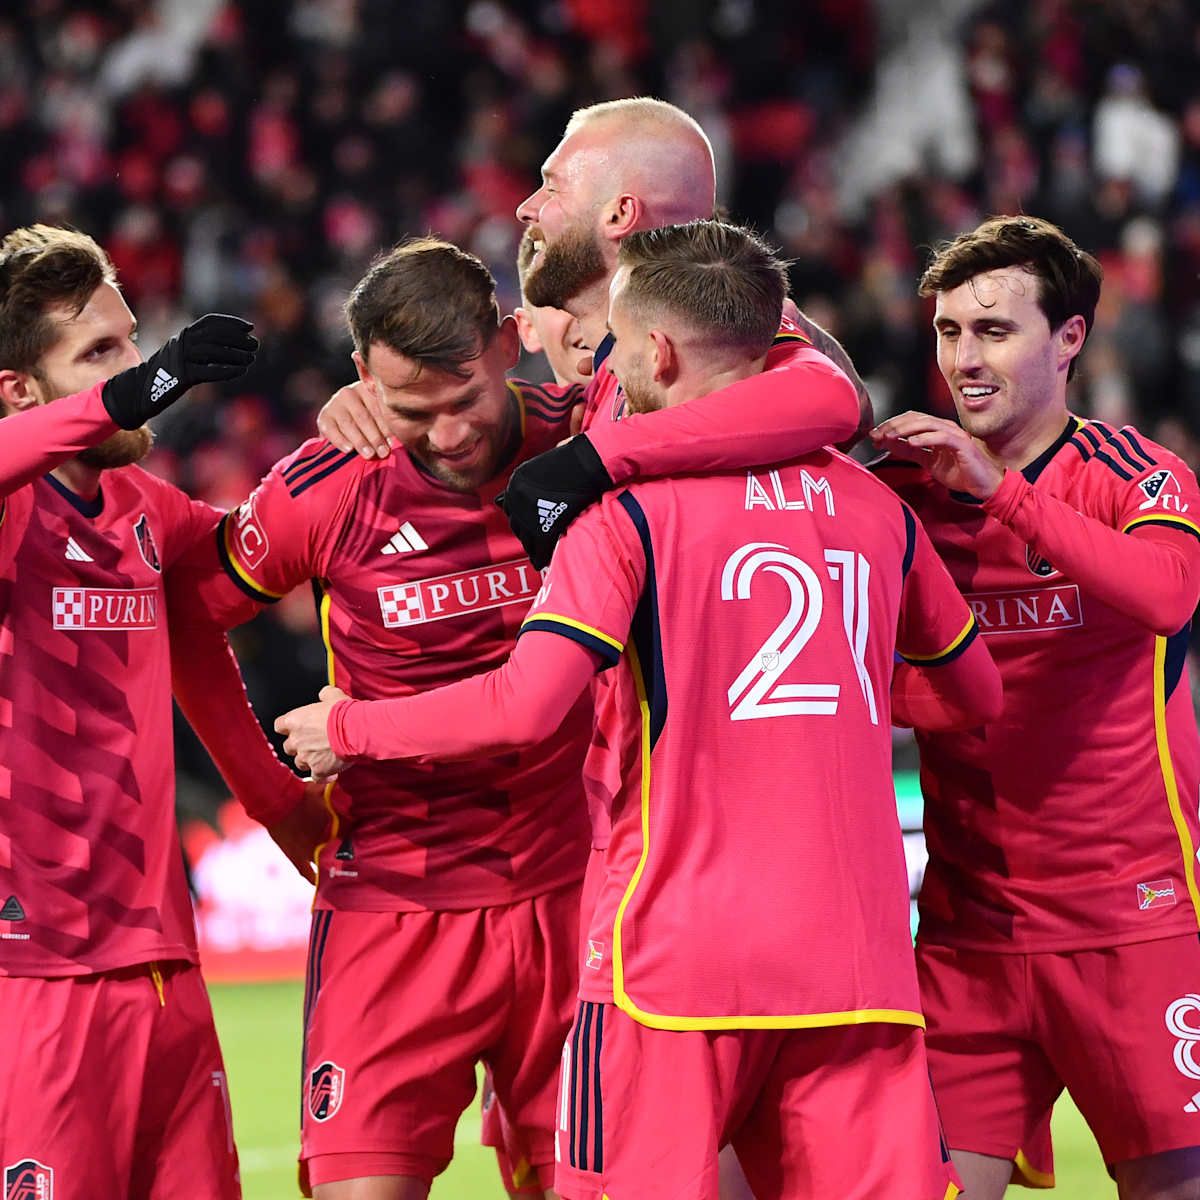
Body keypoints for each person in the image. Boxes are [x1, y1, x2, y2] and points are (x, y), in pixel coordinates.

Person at [277, 219, 1001, 1200]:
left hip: (668, 965)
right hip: (858, 965)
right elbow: (972, 696)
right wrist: (838, 699)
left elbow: (529, 706)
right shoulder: (878, 511)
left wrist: (349, 729)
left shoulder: (621, 512)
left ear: (655, 352)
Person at [169, 236, 602, 1200]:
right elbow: (182, 616)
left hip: (579, 893)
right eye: (413, 411)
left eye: (466, 402)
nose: (448, 437)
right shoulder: (326, 487)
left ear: (505, 343)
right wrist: (274, 799)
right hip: (395, 905)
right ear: (363, 377)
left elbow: (797, 383)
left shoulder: (587, 445)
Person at [871, 214, 1200, 1200]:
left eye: (994, 331)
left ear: (1069, 339)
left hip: (1132, 922)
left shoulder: (1136, 473)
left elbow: (1169, 594)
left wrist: (1002, 495)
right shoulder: (903, 491)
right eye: (948, 332)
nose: (965, 359)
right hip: (970, 932)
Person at [0, 224, 320, 1199]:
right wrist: (132, 395)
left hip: (167, 968)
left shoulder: (148, 507)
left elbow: (239, 608)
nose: (137, 367)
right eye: (99, 354)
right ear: (20, 392)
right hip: (34, 977)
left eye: (132, 342)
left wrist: (350, 440)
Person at [315, 98, 868, 573]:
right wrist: (378, 400)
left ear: (619, 213)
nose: (526, 208)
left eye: (552, 187)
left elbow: (834, 399)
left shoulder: (718, 325)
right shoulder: (610, 374)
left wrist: (592, 458)